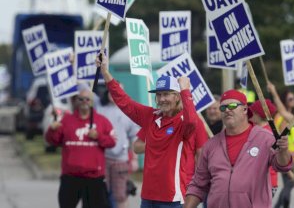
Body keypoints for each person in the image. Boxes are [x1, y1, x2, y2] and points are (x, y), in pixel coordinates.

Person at [96, 53, 206, 208]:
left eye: (166, 94)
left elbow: (192, 121)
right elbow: (124, 102)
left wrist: (185, 90)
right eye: (159, 95)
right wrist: (106, 73)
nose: (161, 99)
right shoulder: (151, 117)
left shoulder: (184, 122)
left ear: (177, 97)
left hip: (172, 198)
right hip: (148, 196)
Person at [184, 89, 293, 208]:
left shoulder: (265, 138)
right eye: (223, 108)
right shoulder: (211, 145)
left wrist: (283, 151)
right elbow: (198, 185)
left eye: (232, 106)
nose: (227, 110)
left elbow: (283, 166)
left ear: (245, 109)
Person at [45, 87, 116, 208]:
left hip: (94, 178)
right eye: (81, 99)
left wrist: (98, 136)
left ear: (92, 101)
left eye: (87, 99)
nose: (84, 101)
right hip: (70, 177)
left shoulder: (102, 121)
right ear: (76, 101)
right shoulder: (66, 120)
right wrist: (52, 130)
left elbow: (112, 142)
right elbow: (53, 141)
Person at [99, 86, 141, 208]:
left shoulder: (128, 111)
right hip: (102, 159)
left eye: (118, 90)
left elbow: (134, 136)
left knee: (120, 196)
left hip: (121, 161)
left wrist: (134, 159)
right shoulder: (99, 109)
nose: (114, 92)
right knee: (101, 194)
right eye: (112, 90)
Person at [274, 90, 294, 208]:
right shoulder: (283, 117)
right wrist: (274, 92)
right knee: (289, 184)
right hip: (286, 158)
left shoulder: (293, 116)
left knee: (289, 185)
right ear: (284, 101)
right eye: (290, 99)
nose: (293, 101)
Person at [248, 99, 279, 197]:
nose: (249, 114)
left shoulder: (266, 134)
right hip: (260, 181)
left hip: (265, 182)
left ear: (258, 114)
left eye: (252, 112)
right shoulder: (256, 129)